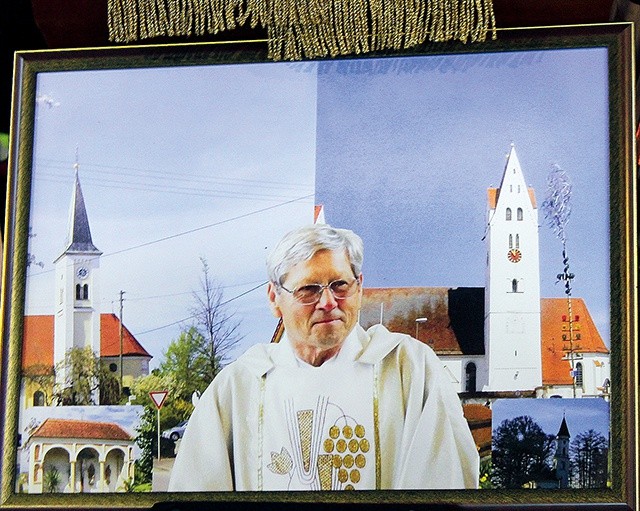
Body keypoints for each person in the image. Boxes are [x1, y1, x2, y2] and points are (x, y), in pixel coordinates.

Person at [168, 224, 479, 491]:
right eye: (309, 289)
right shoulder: (238, 387)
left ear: (360, 288)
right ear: (275, 298)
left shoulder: (407, 368)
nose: (328, 302)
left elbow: (444, 484)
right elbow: (197, 496)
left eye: (340, 285)